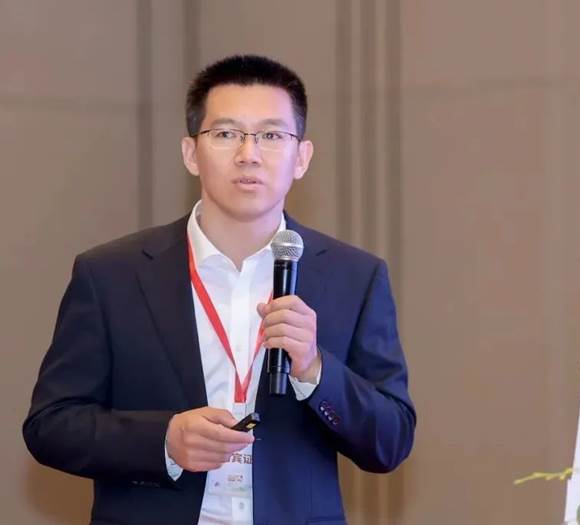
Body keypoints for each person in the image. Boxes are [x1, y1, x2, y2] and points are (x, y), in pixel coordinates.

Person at [23, 54, 415, 525]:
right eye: (227, 134)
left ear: (302, 158)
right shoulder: (111, 274)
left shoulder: (355, 276)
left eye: (272, 135)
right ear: (191, 153)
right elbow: (51, 425)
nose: (249, 154)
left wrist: (314, 368)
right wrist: (164, 440)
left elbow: (391, 442)